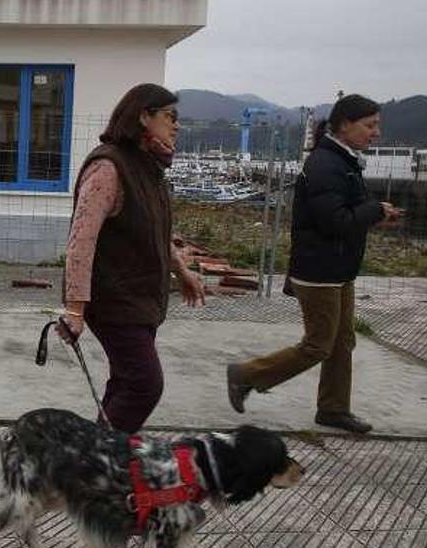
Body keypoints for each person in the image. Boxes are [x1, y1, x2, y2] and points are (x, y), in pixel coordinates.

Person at [225, 94, 404, 434]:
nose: (376, 132)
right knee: (318, 344)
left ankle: (334, 409)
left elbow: (348, 212)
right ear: (345, 124)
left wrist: (378, 213)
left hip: (338, 270)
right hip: (320, 270)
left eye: (377, 125)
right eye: (370, 125)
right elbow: (334, 222)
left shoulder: (344, 160)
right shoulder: (326, 164)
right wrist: (375, 210)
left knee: (342, 342)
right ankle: (246, 375)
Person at [60, 83, 206, 434]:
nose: (177, 125)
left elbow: (154, 231)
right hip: (114, 300)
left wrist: (182, 271)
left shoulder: (147, 167)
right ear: (144, 116)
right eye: (170, 116)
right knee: (144, 385)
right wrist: (75, 309)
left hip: (139, 300)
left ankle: (95, 461)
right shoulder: (109, 167)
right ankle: (102, 463)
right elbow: (81, 242)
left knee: (125, 384)